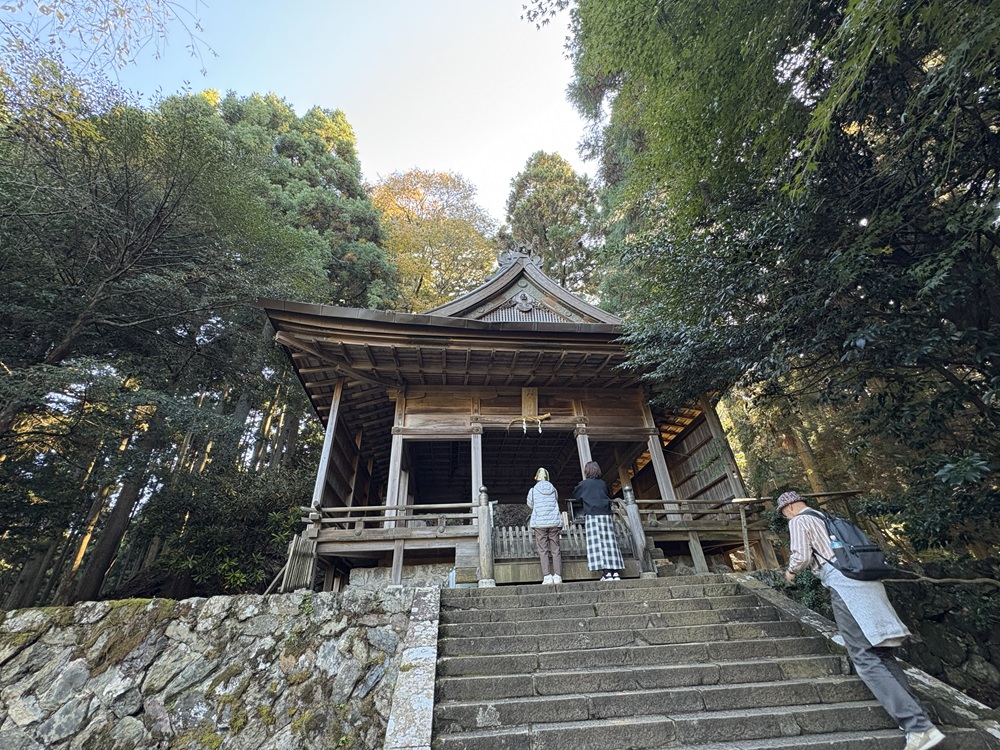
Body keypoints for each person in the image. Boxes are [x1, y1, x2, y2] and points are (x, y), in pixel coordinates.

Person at [780, 490, 945, 750]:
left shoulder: (799, 520)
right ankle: (917, 720)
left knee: (864, 657)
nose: (785, 516)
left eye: (783, 513)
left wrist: (790, 573)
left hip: (846, 586)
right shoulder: (827, 517)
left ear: (788, 507)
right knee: (882, 653)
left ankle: (918, 726)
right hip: (868, 581)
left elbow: (801, 555)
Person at [572, 461, 624, 581]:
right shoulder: (603, 484)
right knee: (610, 542)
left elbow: (577, 496)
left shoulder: (583, 485)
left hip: (592, 514)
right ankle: (615, 572)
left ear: (587, 471)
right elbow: (608, 495)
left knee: (598, 544)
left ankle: (606, 573)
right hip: (606, 514)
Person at [527, 467, 563, 584]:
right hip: (554, 522)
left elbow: (530, 504)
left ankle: (547, 576)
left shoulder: (533, 490)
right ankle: (557, 576)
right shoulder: (554, 489)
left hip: (540, 523)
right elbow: (555, 501)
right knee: (555, 548)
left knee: (543, 549)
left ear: (537, 478)